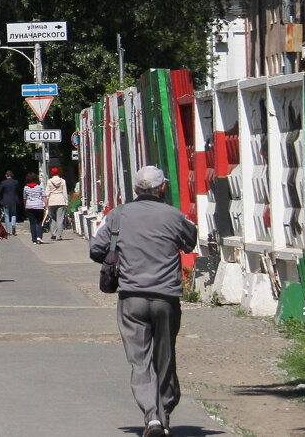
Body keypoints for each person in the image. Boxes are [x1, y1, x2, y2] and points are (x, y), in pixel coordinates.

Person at [89, 166, 197, 437]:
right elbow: (189, 241)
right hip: (166, 297)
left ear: (135, 189)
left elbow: (96, 249)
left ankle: (152, 417)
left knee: (140, 361)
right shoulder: (174, 216)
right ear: (162, 188)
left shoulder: (118, 215)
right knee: (165, 356)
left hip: (132, 297)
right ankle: (165, 412)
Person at [45, 168, 69, 240]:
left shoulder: (49, 181)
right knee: (60, 219)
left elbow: (47, 193)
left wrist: (46, 203)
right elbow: (64, 192)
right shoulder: (62, 181)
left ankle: (53, 233)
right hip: (61, 200)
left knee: (53, 218)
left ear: (52, 173)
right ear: (58, 172)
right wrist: (66, 202)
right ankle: (59, 236)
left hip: (52, 201)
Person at [0, 170, 21, 236]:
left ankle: (8, 231)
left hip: (6, 200)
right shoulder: (16, 182)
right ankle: (13, 225)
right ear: (12, 175)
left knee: (6, 216)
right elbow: (18, 190)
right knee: (14, 214)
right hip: (14, 200)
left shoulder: (3, 183)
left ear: (6, 175)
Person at [24, 173, 46, 245]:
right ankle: (39, 237)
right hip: (39, 206)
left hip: (30, 206)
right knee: (40, 222)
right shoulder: (40, 186)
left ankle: (34, 240)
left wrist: (25, 205)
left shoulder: (26, 187)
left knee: (32, 223)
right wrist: (46, 205)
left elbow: (25, 198)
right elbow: (44, 196)